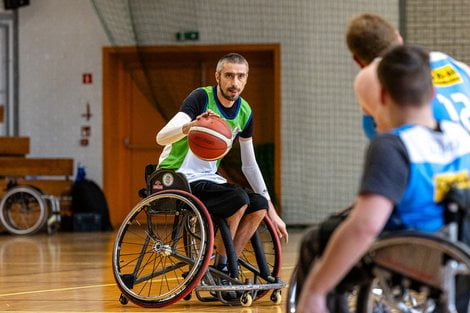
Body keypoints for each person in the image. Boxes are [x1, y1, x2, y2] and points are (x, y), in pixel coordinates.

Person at [295, 44, 470, 313]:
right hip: (460, 247)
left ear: (383, 96)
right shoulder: (462, 138)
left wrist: (317, 290)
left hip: (412, 250)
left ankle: (323, 302)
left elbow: (365, 226)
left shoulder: (394, 145)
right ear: (433, 93)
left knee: (318, 239)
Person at [156, 52, 288, 275]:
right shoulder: (200, 98)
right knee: (237, 199)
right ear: (217, 76)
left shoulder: (245, 112)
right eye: (228, 75)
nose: (234, 83)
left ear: (246, 78)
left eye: (240, 76)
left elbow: (250, 165)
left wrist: (273, 212)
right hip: (176, 176)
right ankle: (224, 266)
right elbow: (161, 137)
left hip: (208, 180)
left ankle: (225, 266)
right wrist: (189, 127)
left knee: (258, 205)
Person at [345, 12, 470, 138]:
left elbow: (389, 139)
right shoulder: (448, 61)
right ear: (398, 37)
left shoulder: (371, 74)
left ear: (357, 60)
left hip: (443, 152)